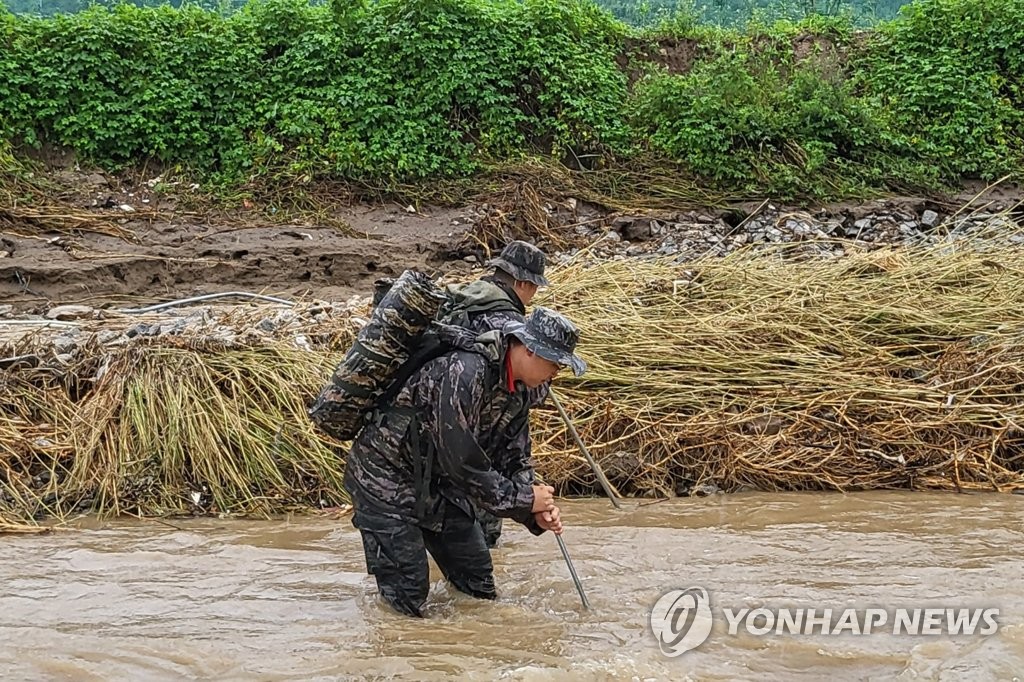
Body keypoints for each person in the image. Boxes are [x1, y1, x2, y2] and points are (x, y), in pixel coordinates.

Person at [344, 307, 587, 617]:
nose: (556, 372)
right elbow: (463, 463)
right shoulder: (464, 372)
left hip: (440, 483)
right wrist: (525, 499)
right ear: (529, 349)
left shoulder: (524, 389)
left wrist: (534, 513)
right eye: (555, 363)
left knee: (478, 584)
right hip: (386, 479)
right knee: (407, 599)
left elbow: (513, 457)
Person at [439, 240, 554, 548]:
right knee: (483, 535)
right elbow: (530, 390)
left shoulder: (467, 299)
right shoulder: (513, 325)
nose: (533, 296)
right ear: (522, 282)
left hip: (442, 433)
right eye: (534, 288)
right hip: (484, 435)